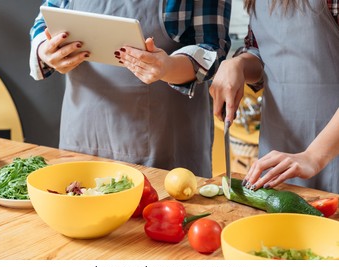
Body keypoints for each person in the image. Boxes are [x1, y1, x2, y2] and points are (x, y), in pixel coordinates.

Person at [29, 0, 232, 178]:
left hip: (164, 146)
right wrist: (45, 51)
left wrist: (168, 67)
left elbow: (212, 47)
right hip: (82, 136)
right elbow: (44, 21)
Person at [210, 0, 339, 193]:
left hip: (330, 150)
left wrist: (313, 156)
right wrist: (239, 64)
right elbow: (263, 54)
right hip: (277, 146)